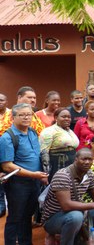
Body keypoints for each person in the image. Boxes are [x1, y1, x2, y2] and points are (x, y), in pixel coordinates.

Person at [41, 148, 94, 245]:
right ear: (75, 159)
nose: (87, 162)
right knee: (76, 217)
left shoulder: (89, 174)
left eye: (90, 159)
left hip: (75, 211)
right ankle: (64, 238)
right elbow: (66, 205)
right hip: (53, 217)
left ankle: (76, 234)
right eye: (84, 159)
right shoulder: (63, 175)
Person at [0, 103, 49, 245]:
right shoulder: (7, 138)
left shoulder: (33, 132)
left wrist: (42, 177)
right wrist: (34, 175)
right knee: (15, 217)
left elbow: (37, 155)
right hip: (17, 185)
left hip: (35, 182)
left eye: (29, 114)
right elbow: (8, 166)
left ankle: (26, 242)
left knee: (27, 216)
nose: (26, 117)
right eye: (22, 115)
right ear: (13, 117)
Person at [39, 108, 79, 182]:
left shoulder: (70, 131)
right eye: (64, 117)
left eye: (69, 117)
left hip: (72, 166)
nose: (67, 119)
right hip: (57, 166)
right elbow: (44, 152)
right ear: (56, 118)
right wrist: (45, 174)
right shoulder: (49, 131)